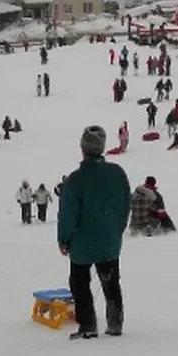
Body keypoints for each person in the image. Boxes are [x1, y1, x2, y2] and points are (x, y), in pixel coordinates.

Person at [57, 126, 132, 340]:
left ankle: (88, 325)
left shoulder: (75, 180)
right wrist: (117, 230)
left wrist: (64, 240)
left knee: (80, 284)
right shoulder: (117, 173)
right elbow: (126, 204)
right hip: (109, 241)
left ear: (83, 148)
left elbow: (68, 214)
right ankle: (115, 324)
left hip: (82, 244)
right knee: (111, 282)